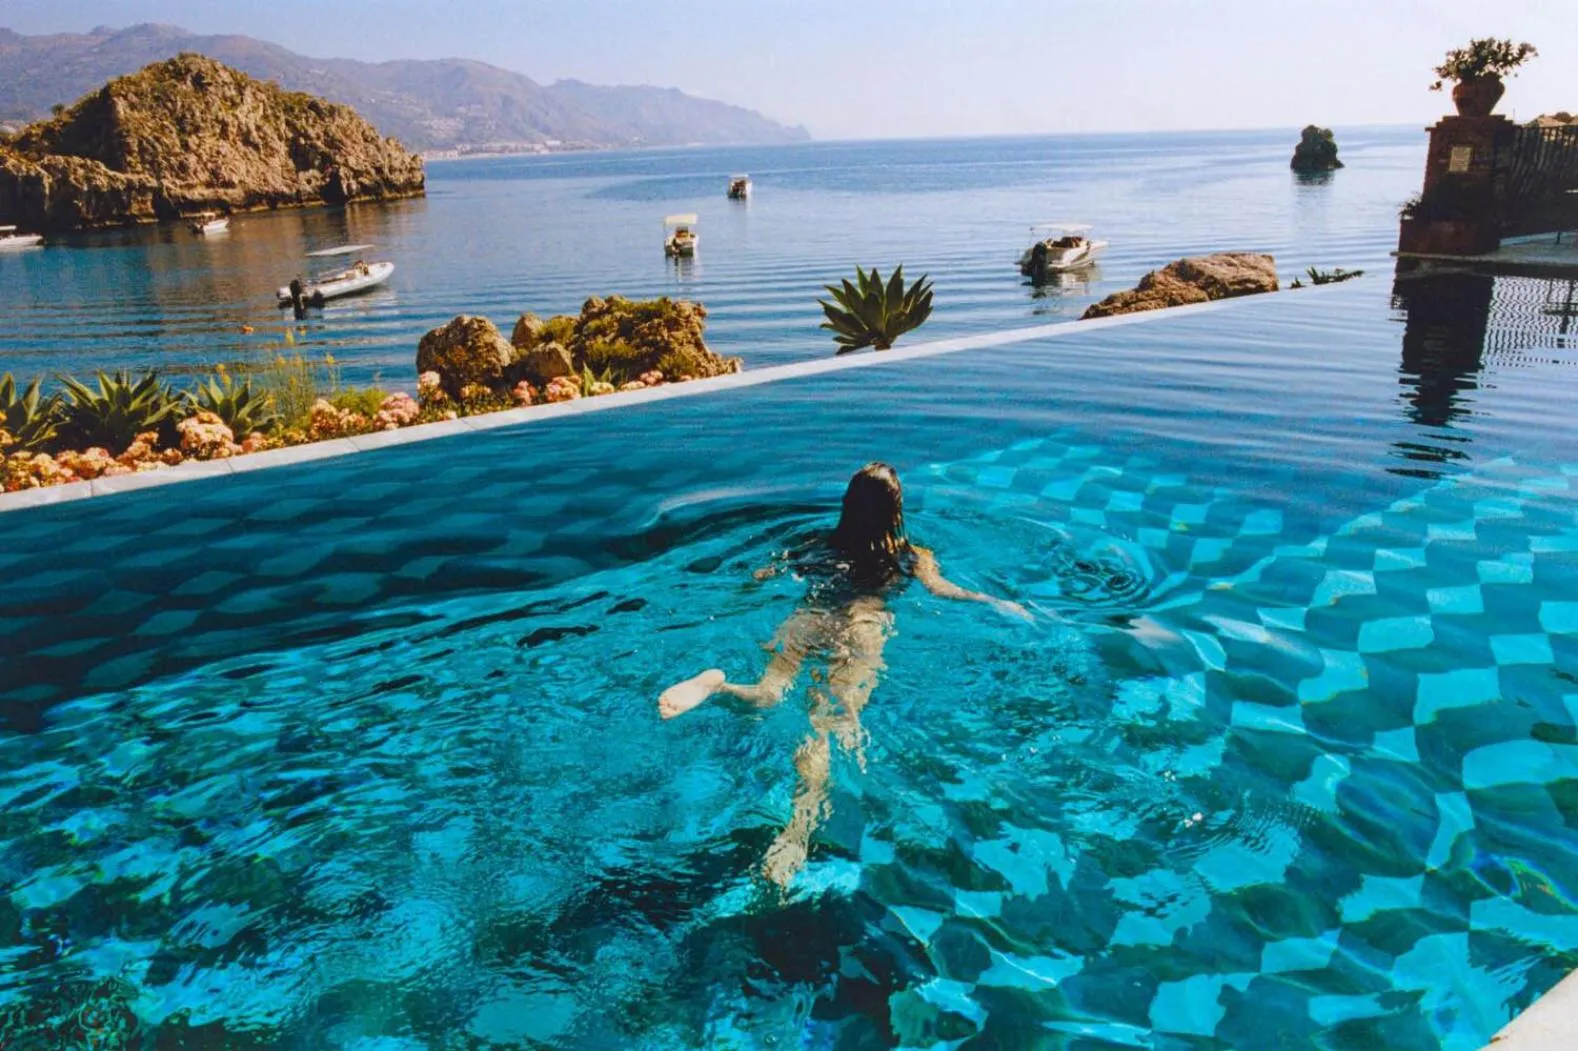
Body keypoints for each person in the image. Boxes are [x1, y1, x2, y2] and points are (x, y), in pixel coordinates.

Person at [659, 462, 1029, 886]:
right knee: (824, 726)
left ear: (847, 502)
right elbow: (943, 590)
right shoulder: (912, 555)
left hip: (808, 617)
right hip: (861, 626)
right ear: (896, 511)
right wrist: (995, 602)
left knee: (767, 695)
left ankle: (718, 686)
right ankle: (795, 833)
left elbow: (762, 576)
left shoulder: (813, 543)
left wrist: (741, 595)